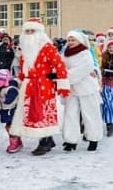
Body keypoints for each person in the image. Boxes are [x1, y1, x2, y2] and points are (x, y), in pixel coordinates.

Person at [9, 18, 70, 156]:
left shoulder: (48, 47)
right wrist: (17, 80)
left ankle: (45, 141)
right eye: (27, 31)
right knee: (32, 112)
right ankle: (47, 139)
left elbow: (59, 65)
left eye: (33, 31)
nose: (30, 34)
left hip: (43, 85)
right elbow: (24, 68)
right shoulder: (25, 49)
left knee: (42, 111)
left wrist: (62, 84)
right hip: (28, 85)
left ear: (40, 32)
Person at [61, 30, 103, 151]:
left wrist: (65, 76)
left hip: (86, 88)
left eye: (73, 40)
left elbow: (84, 68)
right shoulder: (65, 54)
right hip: (71, 89)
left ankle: (93, 139)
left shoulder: (85, 53)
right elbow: (60, 66)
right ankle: (70, 140)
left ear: (79, 40)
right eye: (69, 40)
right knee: (70, 114)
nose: (70, 42)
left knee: (90, 113)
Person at [0, 69, 22, 153]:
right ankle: (17, 141)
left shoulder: (12, 89)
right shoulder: (2, 87)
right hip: (6, 110)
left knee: (11, 128)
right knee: (9, 127)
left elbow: (8, 100)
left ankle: (15, 143)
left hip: (12, 111)